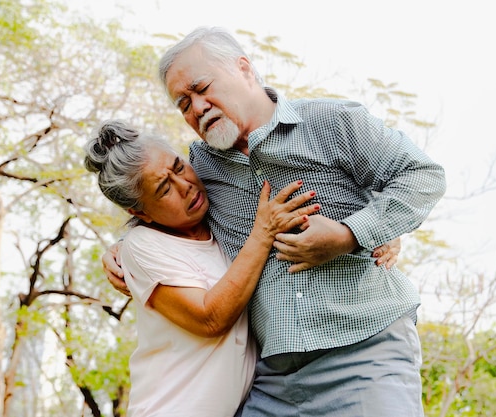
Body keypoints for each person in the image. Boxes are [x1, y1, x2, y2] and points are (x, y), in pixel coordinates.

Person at [104, 26, 446, 416]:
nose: (197, 108)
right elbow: (157, 210)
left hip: (365, 353)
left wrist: (351, 233)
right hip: (272, 382)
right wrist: (119, 251)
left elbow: (422, 176)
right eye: (183, 103)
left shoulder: (331, 122)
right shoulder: (198, 169)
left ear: (244, 69)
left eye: (202, 88)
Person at [84, 120, 321, 417]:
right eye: (164, 188)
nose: (185, 186)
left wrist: (371, 235)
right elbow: (210, 318)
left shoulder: (216, 218)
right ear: (139, 212)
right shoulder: (142, 246)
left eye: (179, 167)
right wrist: (263, 232)